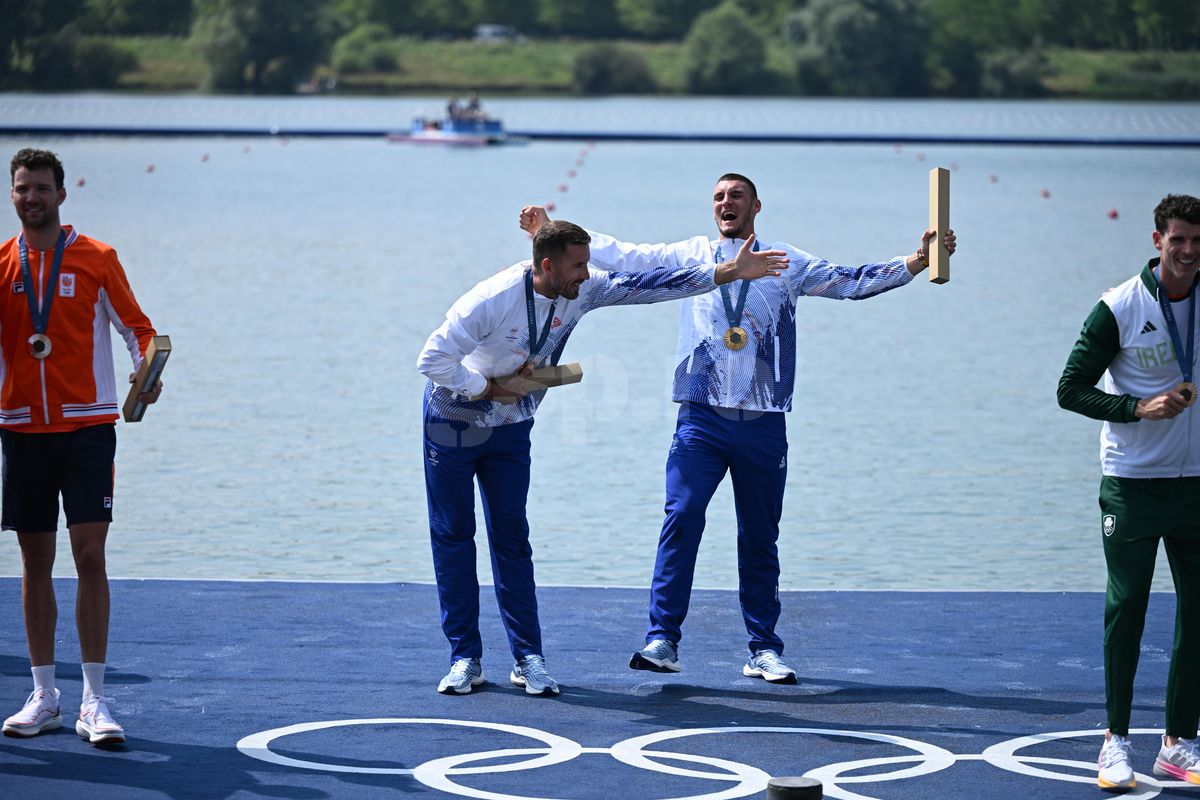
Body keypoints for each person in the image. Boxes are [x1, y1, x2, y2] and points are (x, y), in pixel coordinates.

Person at [519, 173, 956, 684]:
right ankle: (663, 639)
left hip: (763, 421)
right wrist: (550, 229)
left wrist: (916, 261)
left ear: (756, 206)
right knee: (681, 517)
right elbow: (626, 255)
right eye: (719, 197)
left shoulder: (782, 260)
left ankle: (763, 649)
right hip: (700, 419)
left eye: (737, 196)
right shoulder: (693, 255)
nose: (727, 203)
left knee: (759, 536)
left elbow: (850, 281)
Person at [417, 219, 788, 696]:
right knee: (453, 536)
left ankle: (528, 657)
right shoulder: (490, 298)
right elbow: (432, 358)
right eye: (578, 265)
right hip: (453, 423)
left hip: (511, 427)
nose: (587, 274)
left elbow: (651, 286)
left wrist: (725, 274)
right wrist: (486, 388)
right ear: (547, 265)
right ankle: (465, 657)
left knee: (512, 538)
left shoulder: (582, 291)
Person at [1, 148, 162, 745]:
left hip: (87, 427)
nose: (31, 197)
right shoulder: (1, 264)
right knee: (33, 562)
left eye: (41, 187)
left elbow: (140, 331)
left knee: (90, 556)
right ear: (13, 195)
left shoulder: (97, 257)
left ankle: (96, 699)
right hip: (20, 430)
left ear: (61, 195)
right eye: (22, 188)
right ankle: (44, 694)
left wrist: (147, 370)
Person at [1057, 193, 1200, 790]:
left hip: (1195, 485)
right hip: (1132, 485)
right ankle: (1115, 740)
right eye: (1179, 240)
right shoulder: (1118, 306)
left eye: (1198, 242)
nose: (1189, 252)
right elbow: (1070, 389)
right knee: (1128, 610)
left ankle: (1178, 743)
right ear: (1156, 240)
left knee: (1197, 614)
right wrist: (1138, 406)